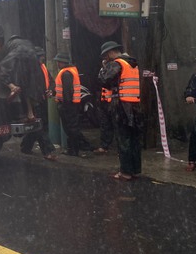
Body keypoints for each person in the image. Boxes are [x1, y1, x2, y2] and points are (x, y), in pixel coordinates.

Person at [98, 41, 142, 181]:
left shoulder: (117, 63)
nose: (106, 58)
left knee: (123, 139)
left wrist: (103, 69)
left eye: (106, 55)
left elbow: (104, 80)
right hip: (134, 105)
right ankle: (135, 170)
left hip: (121, 106)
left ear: (111, 53)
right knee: (133, 139)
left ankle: (125, 172)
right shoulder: (132, 63)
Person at [0, 35, 42, 122]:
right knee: (26, 85)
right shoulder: (27, 42)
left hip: (18, 55)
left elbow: (2, 62)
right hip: (33, 57)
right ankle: (30, 114)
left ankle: (13, 88)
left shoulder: (8, 46)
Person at [20, 47, 57, 161]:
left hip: (42, 100)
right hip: (34, 102)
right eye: (40, 56)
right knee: (40, 127)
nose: (42, 58)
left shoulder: (43, 68)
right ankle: (47, 151)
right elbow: (26, 89)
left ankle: (25, 147)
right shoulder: (29, 70)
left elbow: (51, 82)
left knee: (38, 126)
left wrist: (51, 90)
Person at [54, 51, 92, 157]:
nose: (57, 64)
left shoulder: (66, 73)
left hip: (68, 105)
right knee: (72, 128)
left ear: (63, 62)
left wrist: (64, 105)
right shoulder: (70, 71)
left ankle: (74, 149)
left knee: (70, 128)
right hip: (72, 104)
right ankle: (75, 148)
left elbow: (67, 92)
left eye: (58, 62)